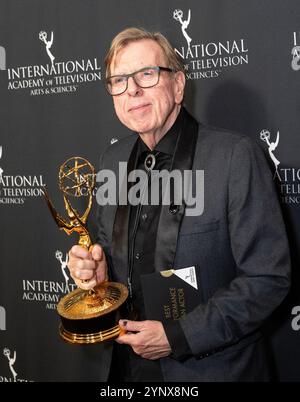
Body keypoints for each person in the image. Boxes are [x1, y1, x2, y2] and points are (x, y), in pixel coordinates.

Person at [67, 27, 290, 382]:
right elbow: (109, 254)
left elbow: (268, 277)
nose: (133, 89)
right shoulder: (112, 160)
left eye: (147, 74)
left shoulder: (235, 157)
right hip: (128, 370)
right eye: (119, 80)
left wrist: (178, 336)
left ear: (179, 85)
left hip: (214, 370)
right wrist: (95, 271)